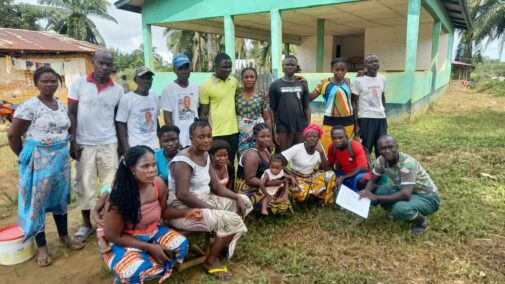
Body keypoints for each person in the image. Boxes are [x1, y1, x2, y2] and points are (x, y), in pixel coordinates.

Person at [8, 67, 84, 267]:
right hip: (39, 160)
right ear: (36, 83)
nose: (50, 85)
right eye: (45, 81)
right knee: (38, 203)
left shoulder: (60, 105)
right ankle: (42, 247)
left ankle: (64, 236)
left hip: (60, 160)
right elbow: (13, 135)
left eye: (53, 81)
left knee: (60, 200)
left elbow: (69, 128)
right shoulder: (29, 106)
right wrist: (26, 158)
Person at [168, 119, 252, 280]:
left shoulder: (205, 155)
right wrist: (213, 210)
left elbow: (215, 186)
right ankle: (211, 260)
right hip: (184, 210)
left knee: (244, 202)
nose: (207, 140)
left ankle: (222, 241)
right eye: (201, 137)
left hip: (205, 199)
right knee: (230, 219)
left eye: (209, 136)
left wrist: (236, 197)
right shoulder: (183, 161)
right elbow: (182, 194)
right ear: (191, 138)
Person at [102, 145, 198, 283]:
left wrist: (187, 212)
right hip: (126, 238)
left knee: (181, 245)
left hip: (153, 231)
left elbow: (164, 211)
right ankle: (128, 271)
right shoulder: (119, 196)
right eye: (145, 166)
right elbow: (113, 236)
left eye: (154, 165)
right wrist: (149, 247)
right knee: (134, 271)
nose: (152, 170)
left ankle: (147, 261)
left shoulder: (158, 184)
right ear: (131, 169)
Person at [68, 50, 124, 245]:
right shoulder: (79, 84)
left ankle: (108, 223)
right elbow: (72, 113)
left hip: (109, 142)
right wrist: (73, 140)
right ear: (93, 62)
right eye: (101, 63)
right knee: (85, 185)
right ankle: (86, 224)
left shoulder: (118, 89)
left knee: (111, 185)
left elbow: (119, 118)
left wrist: (120, 144)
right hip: (84, 143)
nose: (105, 67)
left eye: (108, 64)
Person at [359, 135, 440, 234]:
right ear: (378, 150)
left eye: (390, 147)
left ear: (397, 147)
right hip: (405, 189)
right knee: (377, 191)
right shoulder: (381, 160)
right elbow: (373, 180)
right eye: (383, 148)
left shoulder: (408, 163)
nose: (387, 151)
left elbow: (405, 195)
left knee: (400, 208)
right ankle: (397, 213)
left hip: (427, 197)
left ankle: (422, 223)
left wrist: (376, 198)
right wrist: (366, 192)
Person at [235, 123, 292, 215]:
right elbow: (250, 180)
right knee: (279, 204)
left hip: (262, 184)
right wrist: (271, 183)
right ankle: (252, 210)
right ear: (255, 137)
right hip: (247, 189)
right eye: (262, 136)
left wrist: (289, 176)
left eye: (268, 136)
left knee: (287, 188)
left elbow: (274, 167)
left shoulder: (265, 150)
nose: (266, 139)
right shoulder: (252, 155)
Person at [199, 53, 240, 165]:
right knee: (216, 165)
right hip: (216, 133)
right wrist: (207, 134)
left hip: (233, 132)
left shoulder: (234, 82)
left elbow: (243, 94)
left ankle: (231, 183)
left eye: (230, 67)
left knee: (231, 164)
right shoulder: (205, 86)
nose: (228, 70)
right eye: (224, 67)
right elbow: (203, 113)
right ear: (215, 66)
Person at [281, 124, 336, 205]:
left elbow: (327, 169)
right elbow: (278, 160)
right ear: (305, 137)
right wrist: (290, 176)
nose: (312, 138)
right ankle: (314, 195)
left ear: (318, 138)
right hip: (297, 178)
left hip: (311, 176)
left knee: (330, 174)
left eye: (315, 136)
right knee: (301, 196)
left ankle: (321, 198)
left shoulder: (319, 148)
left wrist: (321, 153)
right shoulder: (297, 148)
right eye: (309, 136)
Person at [310, 58, 355, 151]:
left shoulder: (348, 81)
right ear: (332, 69)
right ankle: (327, 165)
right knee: (327, 149)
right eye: (337, 70)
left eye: (343, 70)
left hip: (348, 121)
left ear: (347, 70)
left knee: (345, 150)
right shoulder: (324, 83)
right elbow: (309, 98)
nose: (340, 72)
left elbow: (352, 101)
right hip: (330, 121)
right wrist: (304, 85)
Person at [269, 55, 311, 152]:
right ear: (283, 66)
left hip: (300, 126)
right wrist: (274, 131)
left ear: (297, 67)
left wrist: (308, 127)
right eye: (287, 64)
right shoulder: (275, 85)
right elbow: (272, 109)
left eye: (292, 65)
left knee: (299, 155)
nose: (290, 67)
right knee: (282, 156)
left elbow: (307, 107)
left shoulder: (302, 84)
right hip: (283, 127)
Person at [351, 54, 388, 158]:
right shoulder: (358, 81)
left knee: (382, 147)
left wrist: (383, 111)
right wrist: (356, 123)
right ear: (365, 65)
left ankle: (380, 170)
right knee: (365, 147)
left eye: (376, 61)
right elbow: (353, 102)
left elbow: (382, 96)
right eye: (371, 62)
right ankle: (366, 171)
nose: (374, 64)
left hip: (381, 118)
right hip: (365, 118)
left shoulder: (383, 79)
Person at [116, 67, 160, 152]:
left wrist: (160, 142)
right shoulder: (127, 98)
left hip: (154, 146)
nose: (146, 81)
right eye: (142, 78)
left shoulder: (154, 96)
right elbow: (121, 125)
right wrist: (126, 150)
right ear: (135, 80)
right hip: (136, 148)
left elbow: (155, 120)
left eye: (148, 78)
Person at [161, 54, 199, 147]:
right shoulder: (168, 89)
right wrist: (176, 140)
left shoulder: (195, 87)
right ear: (174, 70)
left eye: (186, 68)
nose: (184, 71)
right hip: (180, 140)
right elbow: (167, 118)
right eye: (180, 68)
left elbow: (198, 111)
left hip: (195, 139)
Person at [236, 67, 272, 156]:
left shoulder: (261, 95)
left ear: (256, 78)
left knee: (259, 155)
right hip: (241, 132)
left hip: (258, 132)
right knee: (242, 156)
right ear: (242, 79)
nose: (249, 79)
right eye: (246, 77)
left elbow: (267, 118)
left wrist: (269, 136)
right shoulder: (236, 95)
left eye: (252, 77)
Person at [327, 125, 371, 192]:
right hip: (343, 174)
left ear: (346, 137)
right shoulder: (332, 147)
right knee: (323, 173)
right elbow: (329, 165)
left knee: (362, 180)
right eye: (334, 138)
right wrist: (334, 176)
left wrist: (343, 178)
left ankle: (360, 193)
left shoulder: (355, 145)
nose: (337, 140)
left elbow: (363, 168)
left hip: (357, 175)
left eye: (340, 138)